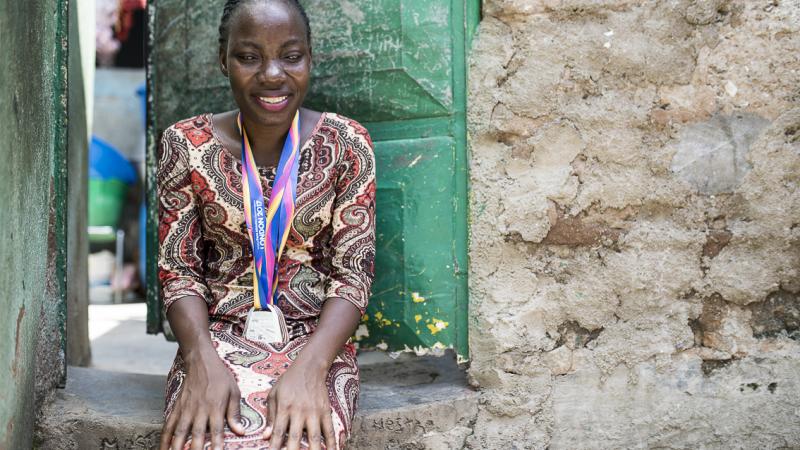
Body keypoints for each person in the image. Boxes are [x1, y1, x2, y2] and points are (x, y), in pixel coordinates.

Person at [156, 0, 376, 449]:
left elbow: (353, 276)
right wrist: (201, 362)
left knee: (299, 440)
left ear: (309, 58)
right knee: (204, 440)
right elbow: (178, 272)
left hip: (316, 344)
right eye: (249, 56)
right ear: (224, 60)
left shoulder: (347, 143)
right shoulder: (186, 145)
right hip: (213, 341)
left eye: (291, 56)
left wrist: (311, 371)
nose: (273, 74)